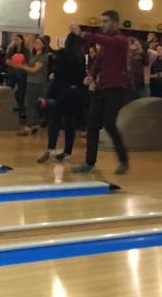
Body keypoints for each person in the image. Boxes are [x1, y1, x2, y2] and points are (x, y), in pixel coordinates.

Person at [70, 12, 130, 175]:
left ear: (116, 23)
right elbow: (98, 61)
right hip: (101, 87)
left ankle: (123, 159)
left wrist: (82, 34)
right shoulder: (105, 45)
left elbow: (104, 40)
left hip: (116, 88)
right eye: (101, 21)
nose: (102, 24)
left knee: (109, 123)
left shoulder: (120, 40)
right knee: (92, 124)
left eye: (106, 21)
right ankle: (89, 162)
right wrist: (91, 74)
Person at [38, 33, 86, 164]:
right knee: (70, 122)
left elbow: (58, 74)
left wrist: (52, 92)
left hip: (63, 91)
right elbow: (82, 76)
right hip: (76, 92)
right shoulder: (81, 56)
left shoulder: (63, 54)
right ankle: (67, 153)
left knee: (54, 119)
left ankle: (51, 149)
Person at [19, 36, 51, 135]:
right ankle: (36, 124)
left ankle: (28, 126)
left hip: (36, 82)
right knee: (33, 104)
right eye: (35, 42)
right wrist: (23, 65)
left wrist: (22, 66)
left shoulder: (43, 56)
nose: (35, 44)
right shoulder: (35, 55)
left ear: (43, 45)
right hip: (31, 81)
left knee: (29, 104)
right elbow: (30, 67)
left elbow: (35, 70)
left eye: (38, 42)